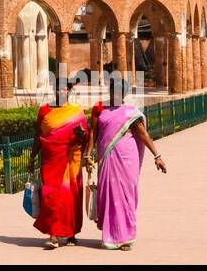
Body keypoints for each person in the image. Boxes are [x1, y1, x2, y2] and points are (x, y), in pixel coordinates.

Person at [90, 77, 167, 250]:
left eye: (119, 92)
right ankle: (110, 236)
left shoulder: (131, 112)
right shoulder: (102, 111)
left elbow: (143, 134)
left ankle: (126, 238)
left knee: (125, 196)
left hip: (126, 158)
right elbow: (94, 134)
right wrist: (88, 156)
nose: (116, 94)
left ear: (124, 94)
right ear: (109, 91)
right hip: (107, 159)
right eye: (113, 91)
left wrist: (157, 155)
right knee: (108, 196)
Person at [26, 79, 91, 249]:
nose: (61, 92)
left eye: (64, 89)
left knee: (70, 196)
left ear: (69, 91)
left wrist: (81, 135)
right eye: (58, 89)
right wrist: (32, 157)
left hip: (71, 161)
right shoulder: (44, 111)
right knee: (51, 196)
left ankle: (70, 233)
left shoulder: (76, 111)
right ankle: (53, 235)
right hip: (50, 160)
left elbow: (84, 137)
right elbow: (37, 136)